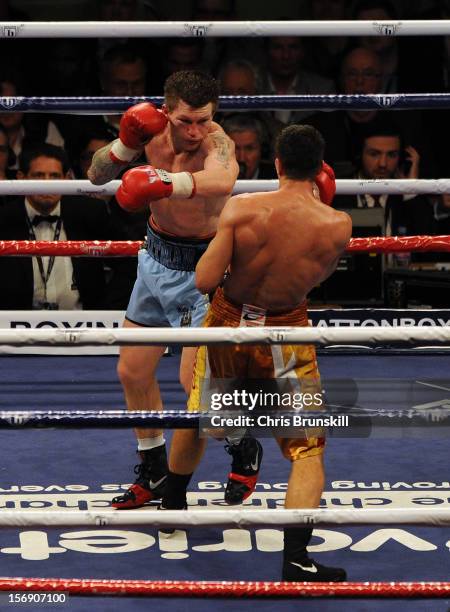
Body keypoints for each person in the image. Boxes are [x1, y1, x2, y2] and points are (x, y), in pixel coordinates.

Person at [161, 124, 352, 582]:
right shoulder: (337, 224)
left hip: (228, 325)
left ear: (278, 164)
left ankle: (171, 507)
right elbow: (315, 279)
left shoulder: (243, 209)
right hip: (286, 333)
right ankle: (295, 560)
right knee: (307, 450)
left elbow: (205, 281)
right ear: (321, 171)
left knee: (201, 414)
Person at [88, 70, 239, 509]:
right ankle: (152, 470)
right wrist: (122, 145)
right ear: (166, 110)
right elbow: (97, 176)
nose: (195, 131)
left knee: (193, 386)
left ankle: (242, 444)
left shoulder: (217, 142)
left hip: (203, 270)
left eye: (203, 120)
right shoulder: (147, 131)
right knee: (132, 371)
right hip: (155, 260)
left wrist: (168, 182)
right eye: (185, 121)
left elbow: (224, 181)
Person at [0, 143, 126, 310]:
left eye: (54, 176)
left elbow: (129, 262)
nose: (47, 184)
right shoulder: (4, 219)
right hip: (16, 328)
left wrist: (107, 310)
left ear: (66, 179)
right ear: (21, 178)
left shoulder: (90, 213)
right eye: (38, 176)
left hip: (84, 327)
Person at [221, 114, 277, 179]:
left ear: (262, 150)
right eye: (235, 148)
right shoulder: (211, 178)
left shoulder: (278, 179)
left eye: (249, 148)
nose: (242, 158)